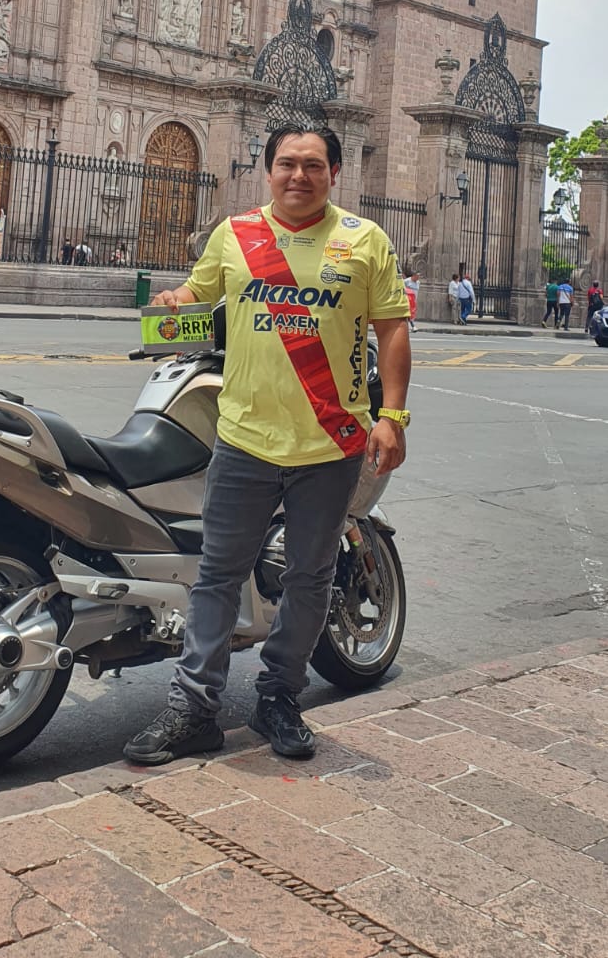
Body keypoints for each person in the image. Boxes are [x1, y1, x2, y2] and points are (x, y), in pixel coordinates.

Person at [123, 124, 411, 768]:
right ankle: (194, 706)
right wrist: (176, 299)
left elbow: (392, 330)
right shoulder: (236, 235)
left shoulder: (364, 242)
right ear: (268, 170)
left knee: (310, 579)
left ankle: (279, 695)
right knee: (218, 576)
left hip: (330, 445)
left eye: (313, 165)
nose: (298, 176)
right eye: (287, 164)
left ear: (335, 173)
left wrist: (392, 415)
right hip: (244, 440)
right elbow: (197, 295)